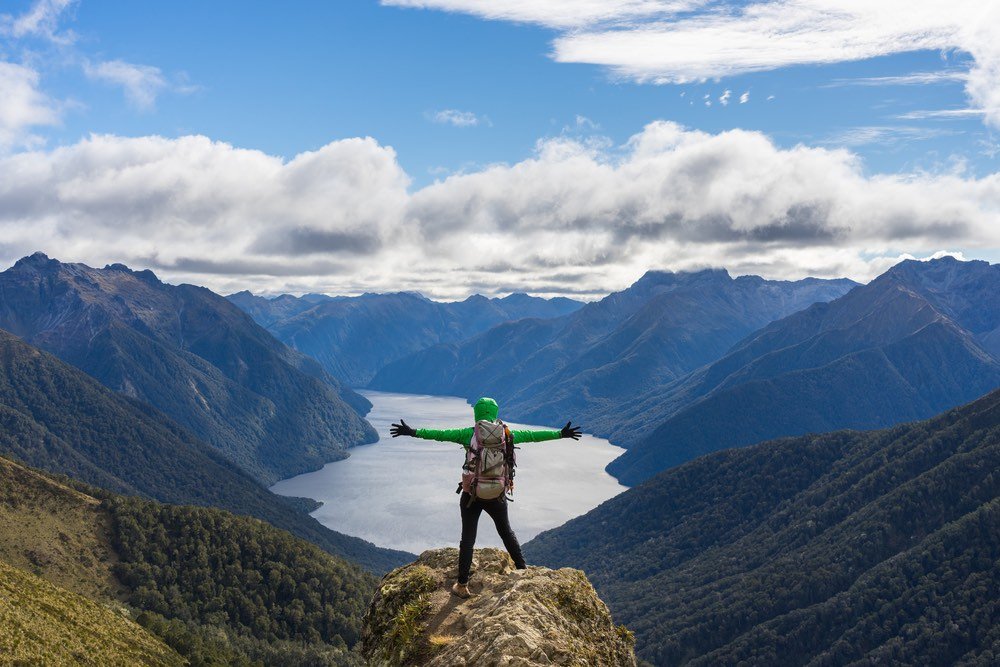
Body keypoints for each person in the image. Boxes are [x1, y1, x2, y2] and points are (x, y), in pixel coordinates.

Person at [390, 396, 582, 598]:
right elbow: (534, 435)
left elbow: (439, 434)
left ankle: (462, 584)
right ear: (495, 414)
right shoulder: (507, 435)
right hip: (497, 495)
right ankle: (522, 570)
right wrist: (561, 434)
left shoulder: (469, 434)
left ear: (477, 414)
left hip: (472, 494)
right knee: (506, 531)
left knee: (468, 539)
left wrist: (412, 432)